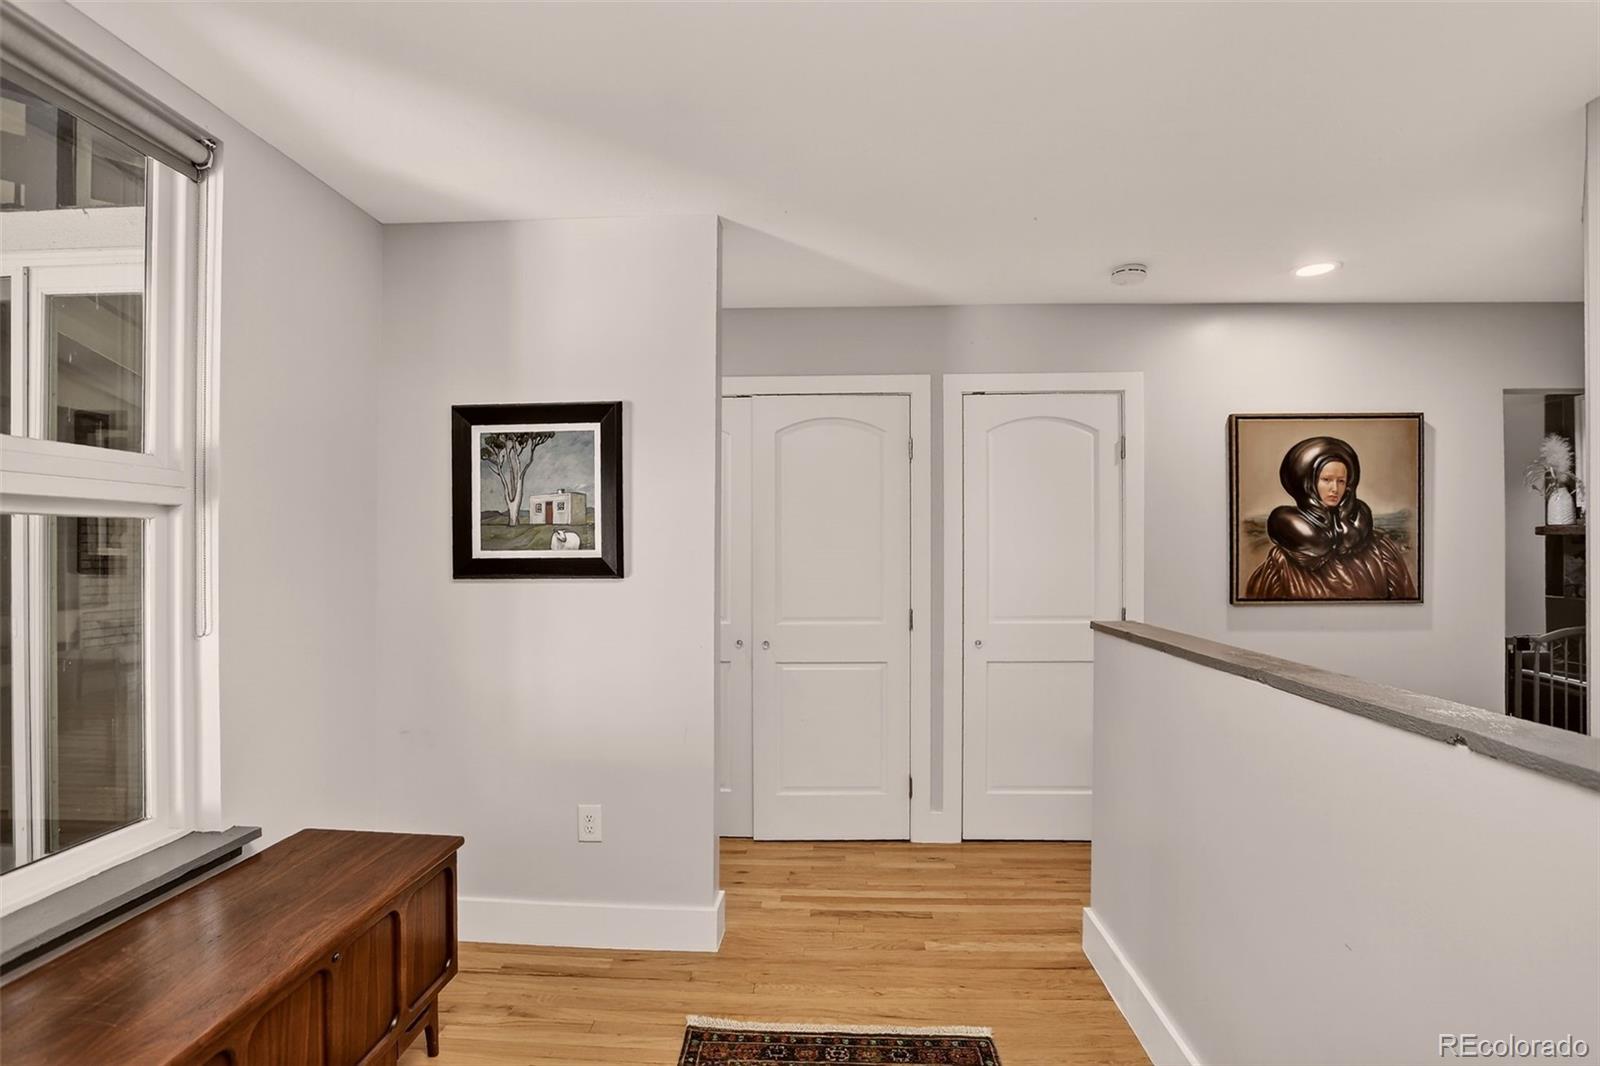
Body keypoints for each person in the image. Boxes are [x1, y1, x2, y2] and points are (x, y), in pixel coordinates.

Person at [1244, 435, 1416, 600]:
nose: (1335, 488)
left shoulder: (1379, 547)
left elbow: (1404, 600)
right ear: (1307, 483)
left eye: (1341, 481)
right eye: (1326, 479)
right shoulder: (1282, 560)